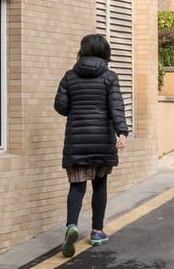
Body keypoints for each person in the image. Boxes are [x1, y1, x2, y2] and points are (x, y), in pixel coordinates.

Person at [53, 33, 128, 256]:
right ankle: (96, 231)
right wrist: (121, 132)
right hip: (102, 140)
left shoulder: (69, 76)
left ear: (82, 51)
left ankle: (72, 226)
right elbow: (116, 106)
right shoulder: (109, 76)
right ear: (106, 53)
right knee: (100, 185)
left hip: (77, 140)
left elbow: (61, 107)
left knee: (77, 186)